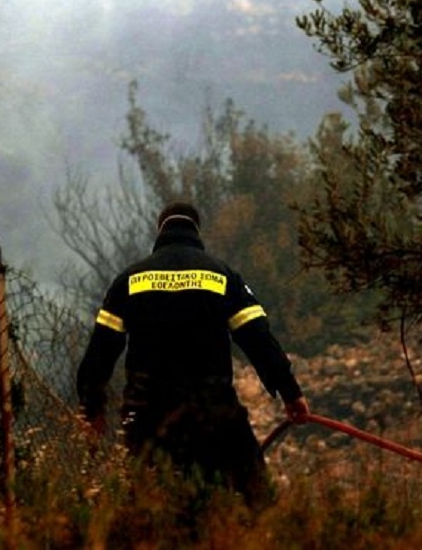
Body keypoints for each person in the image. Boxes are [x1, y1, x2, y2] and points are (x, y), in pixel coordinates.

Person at [76, 202, 310, 510]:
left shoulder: (128, 281)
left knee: (150, 505)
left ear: (160, 231)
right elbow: (258, 339)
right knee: (257, 499)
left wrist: (93, 409)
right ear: (196, 231)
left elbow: (100, 352)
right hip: (213, 411)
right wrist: (290, 393)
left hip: (147, 415)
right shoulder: (222, 276)